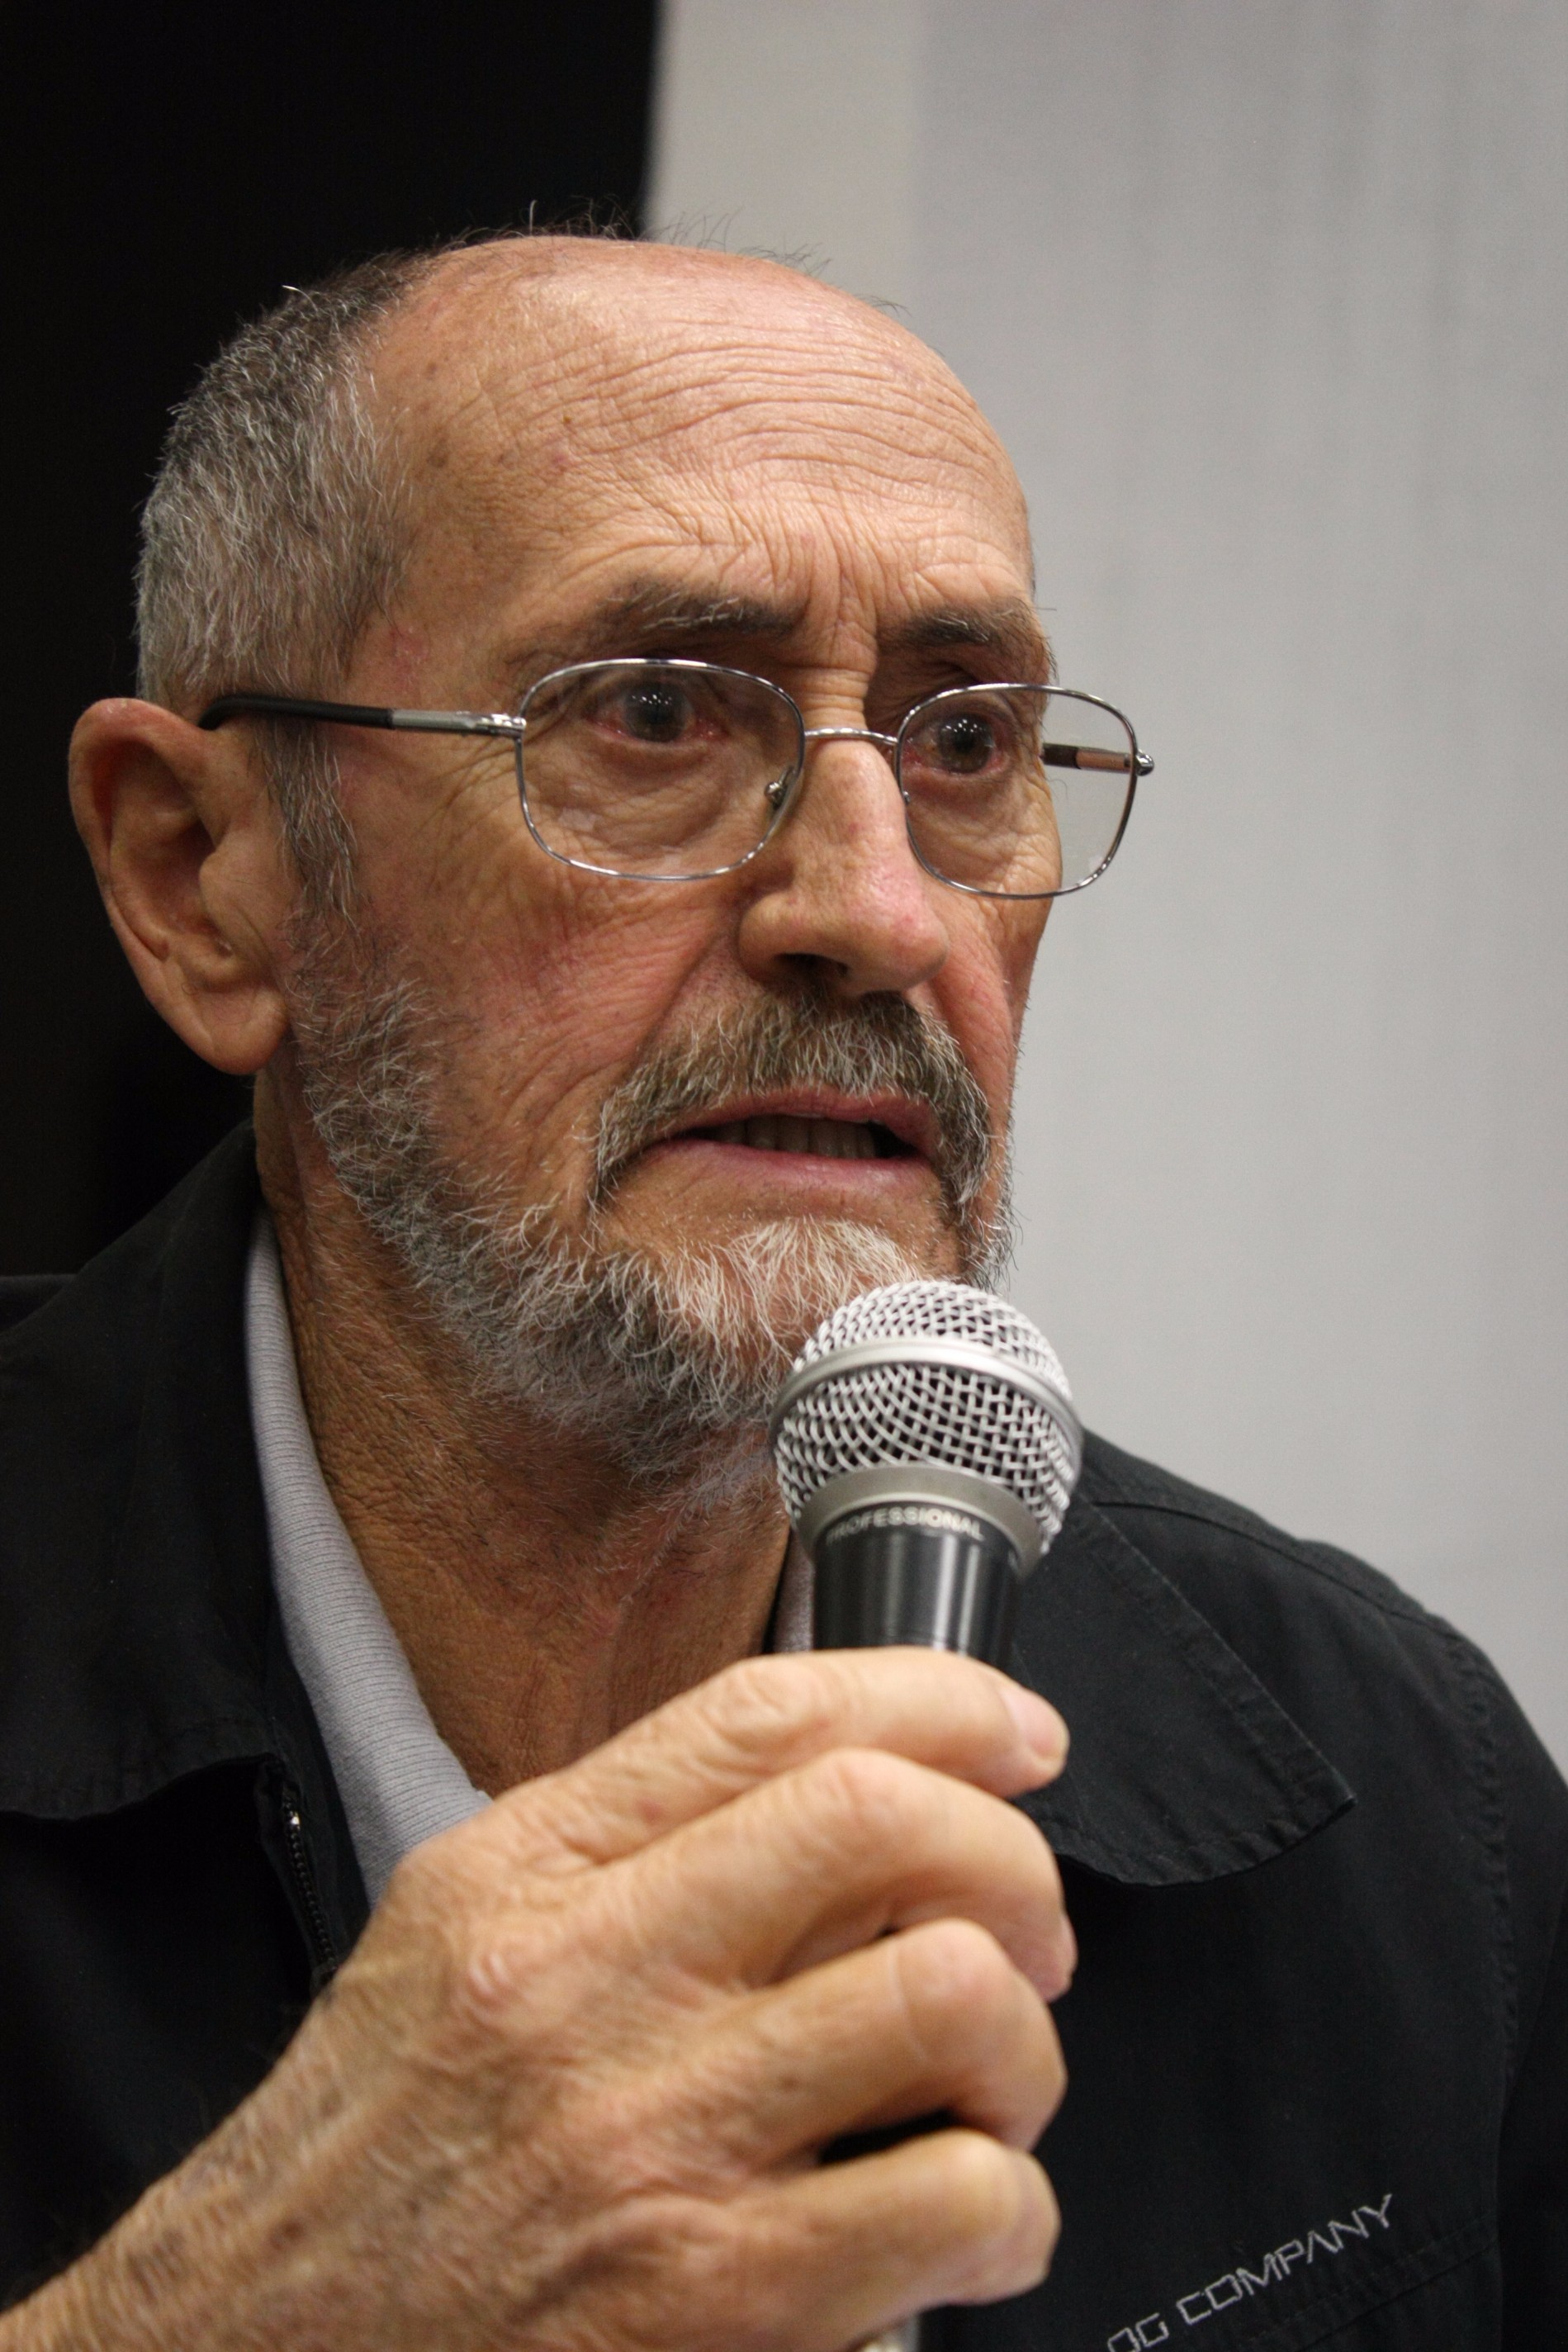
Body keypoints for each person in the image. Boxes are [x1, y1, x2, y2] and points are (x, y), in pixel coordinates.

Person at [0, 232, 1561, 2351]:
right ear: (202, 878)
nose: (873, 907)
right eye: (651, 712)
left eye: (964, 738)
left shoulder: (1405, 1802)